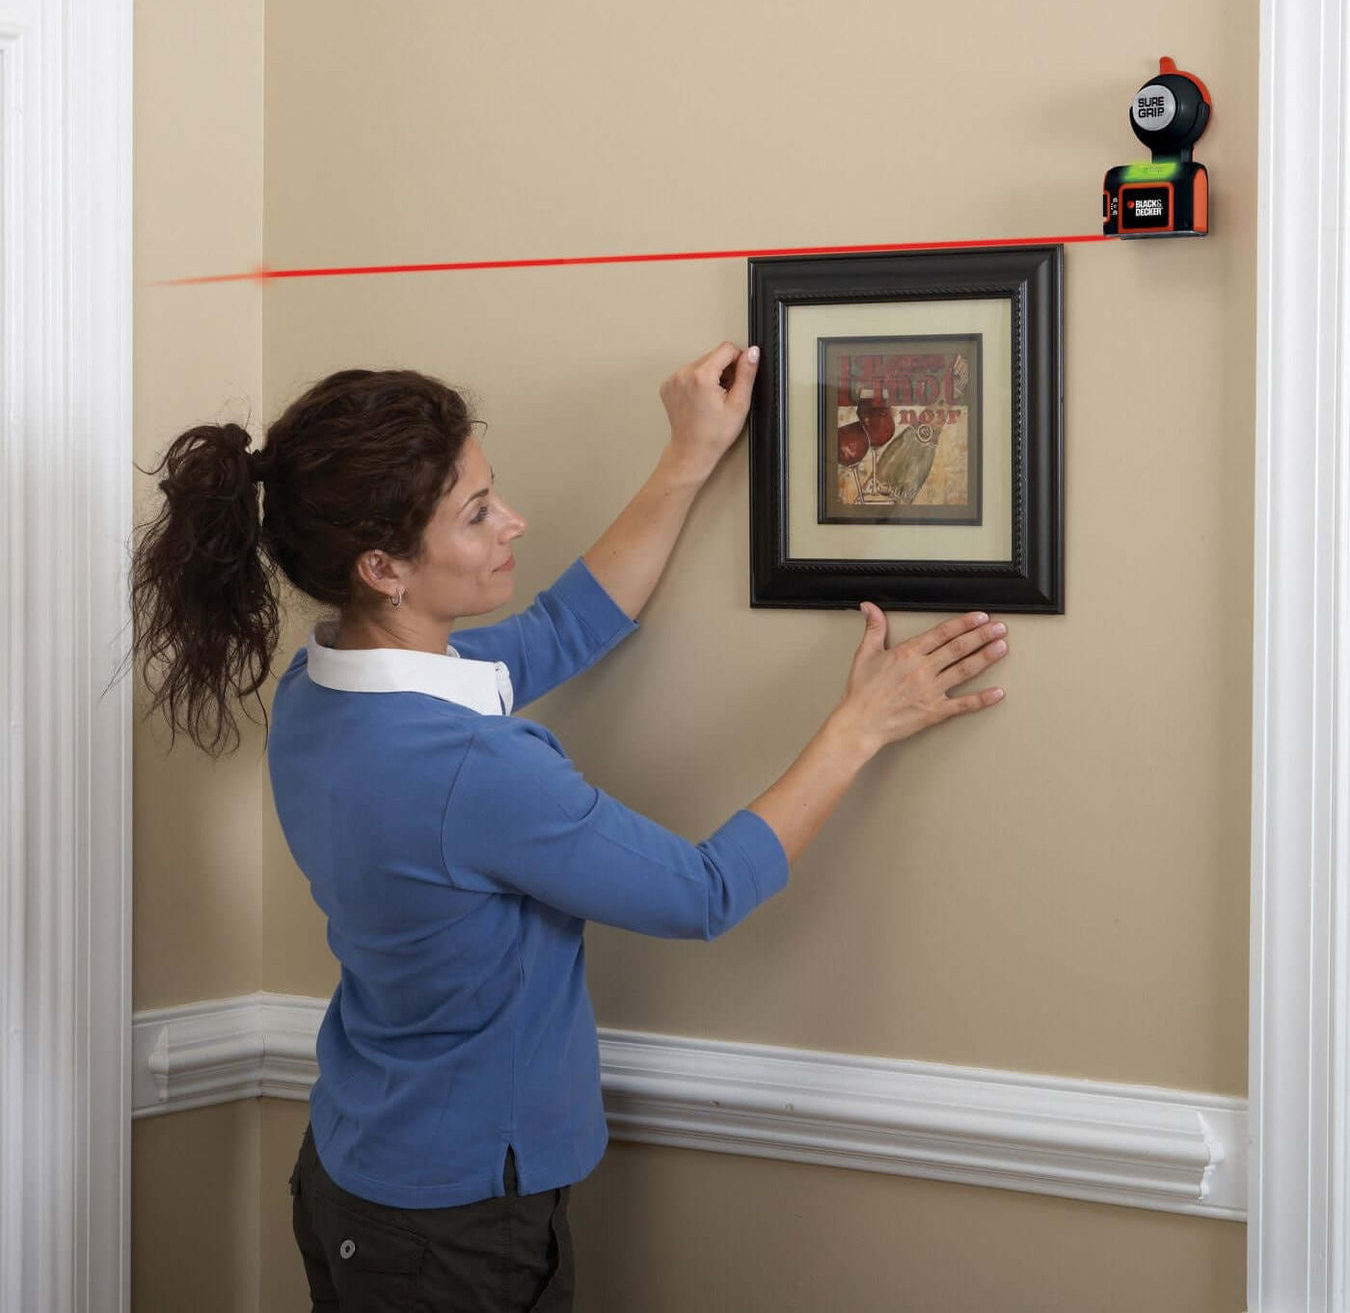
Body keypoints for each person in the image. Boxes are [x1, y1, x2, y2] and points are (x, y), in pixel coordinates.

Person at [128, 340, 1008, 1312]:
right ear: (382, 566)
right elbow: (702, 891)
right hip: (451, 1230)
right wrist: (861, 726)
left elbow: (561, 630)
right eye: (476, 514)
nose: (513, 522)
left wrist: (688, 455)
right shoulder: (473, 767)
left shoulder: (318, 687)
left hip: (357, 1177)